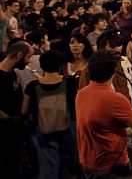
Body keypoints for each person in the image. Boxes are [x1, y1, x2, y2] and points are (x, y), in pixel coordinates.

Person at [76, 50, 132, 179]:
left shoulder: (81, 94)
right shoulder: (115, 99)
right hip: (112, 163)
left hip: (88, 161)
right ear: (113, 72)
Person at [21, 50, 82, 179]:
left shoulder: (33, 86)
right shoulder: (70, 82)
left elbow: (23, 110)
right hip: (68, 127)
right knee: (77, 161)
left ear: (41, 66)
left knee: (48, 167)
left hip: (44, 129)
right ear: (60, 65)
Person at [0, 41, 33, 178]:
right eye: (28, 57)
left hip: (14, 132)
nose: (29, 61)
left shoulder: (13, 74)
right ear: (19, 54)